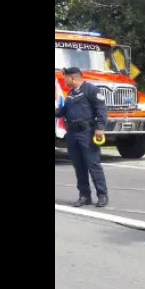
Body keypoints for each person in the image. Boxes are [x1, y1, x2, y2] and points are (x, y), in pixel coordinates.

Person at [56, 67, 110, 208]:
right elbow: (62, 112)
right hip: (72, 134)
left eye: (66, 78)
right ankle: (84, 196)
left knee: (93, 164)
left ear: (73, 78)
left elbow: (101, 109)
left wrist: (99, 128)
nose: (65, 80)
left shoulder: (90, 90)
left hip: (87, 132)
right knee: (79, 166)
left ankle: (102, 195)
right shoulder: (71, 94)